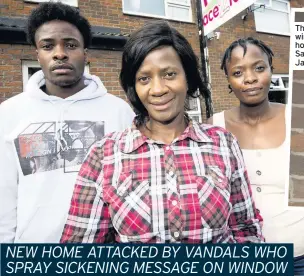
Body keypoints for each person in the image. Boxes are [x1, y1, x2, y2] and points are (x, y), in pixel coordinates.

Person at [61, 21, 263, 244]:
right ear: (134, 88)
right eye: (144, 78)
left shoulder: (223, 143)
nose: (157, 89)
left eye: (169, 74)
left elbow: (245, 228)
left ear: (188, 78)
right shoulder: (103, 155)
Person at [0, 2, 135, 243]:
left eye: (70, 45)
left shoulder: (119, 112)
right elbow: (4, 194)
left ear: (85, 52)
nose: (60, 53)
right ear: (37, 54)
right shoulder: (10, 113)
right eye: (48, 45)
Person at [207, 37, 304, 272]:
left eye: (259, 68)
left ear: (271, 70)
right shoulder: (213, 128)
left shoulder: (298, 119)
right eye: (238, 72)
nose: (250, 78)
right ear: (229, 80)